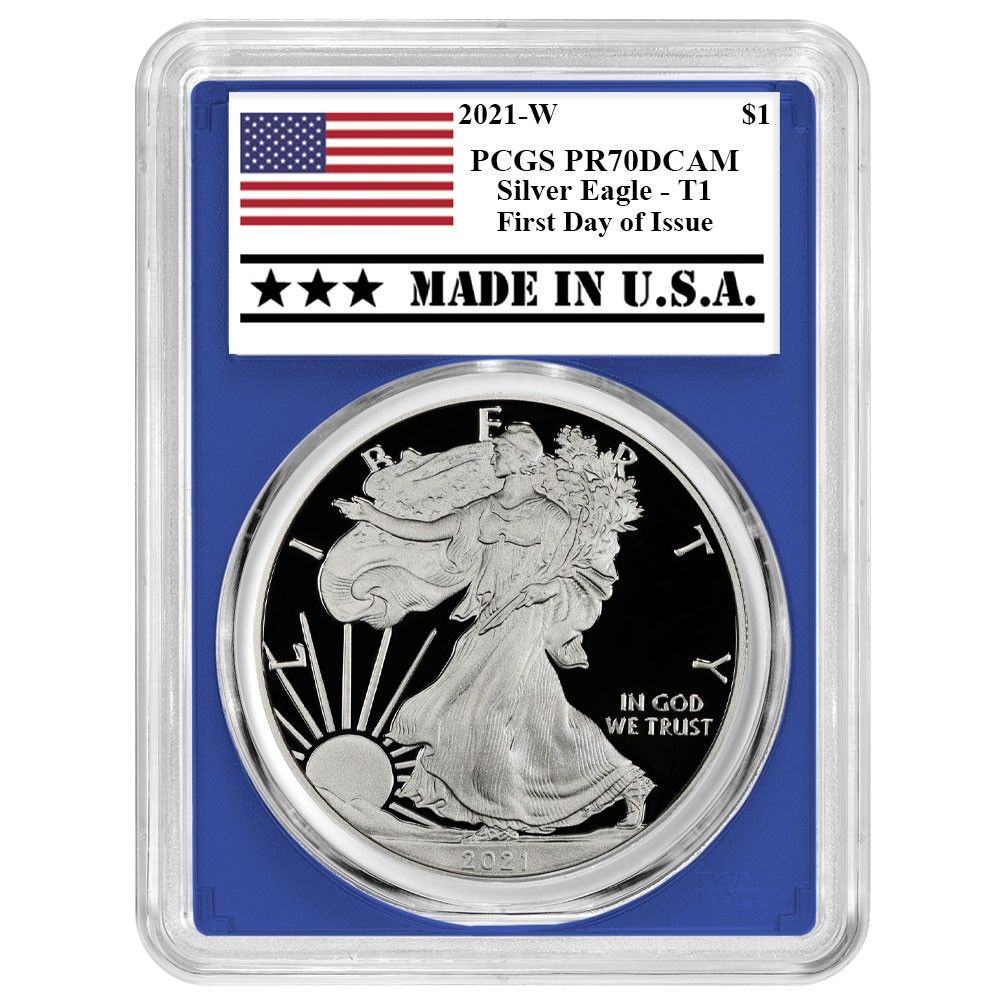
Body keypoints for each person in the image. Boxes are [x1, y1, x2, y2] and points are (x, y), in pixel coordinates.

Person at [335, 423, 653, 840]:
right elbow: (430, 530)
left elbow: (576, 573)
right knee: (545, 721)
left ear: (522, 459)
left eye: (501, 450)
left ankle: (502, 821)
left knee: (487, 711)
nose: (493, 456)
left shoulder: (552, 516)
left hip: (526, 617)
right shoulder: (483, 508)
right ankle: (628, 782)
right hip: (491, 617)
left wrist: (546, 588)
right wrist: (371, 515)